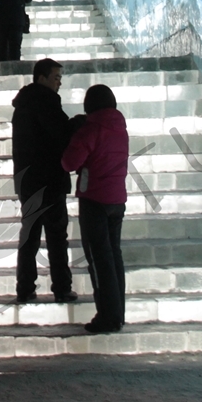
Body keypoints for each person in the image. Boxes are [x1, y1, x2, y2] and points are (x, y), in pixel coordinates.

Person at [62, 83, 129, 334]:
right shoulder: (119, 127)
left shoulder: (90, 130)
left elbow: (69, 162)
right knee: (114, 256)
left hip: (94, 201)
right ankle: (118, 313)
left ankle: (107, 316)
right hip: (117, 200)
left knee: (99, 260)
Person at [11, 58, 77, 305]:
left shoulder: (23, 105)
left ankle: (25, 288)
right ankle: (61, 288)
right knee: (57, 237)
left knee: (29, 236)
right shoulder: (46, 102)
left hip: (28, 181)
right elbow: (61, 134)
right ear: (42, 77)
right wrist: (78, 123)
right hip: (49, 180)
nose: (59, 82)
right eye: (56, 77)